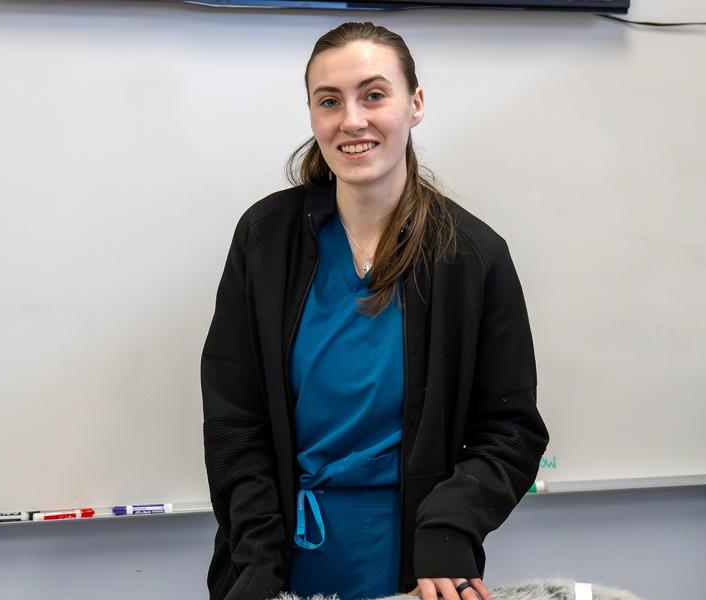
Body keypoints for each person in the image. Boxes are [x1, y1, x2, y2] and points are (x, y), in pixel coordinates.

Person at [201, 21, 549, 600]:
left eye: (374, 95)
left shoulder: (473, 255)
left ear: (414, 104)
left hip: (417, 561)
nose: (352, 120)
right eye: (329, 101)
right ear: (312, 115)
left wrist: (448, 534)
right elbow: (234, 423)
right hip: (276, 553)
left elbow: (511, 431)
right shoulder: (266, 238)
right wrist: (258, 566)